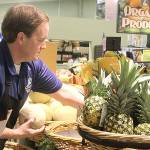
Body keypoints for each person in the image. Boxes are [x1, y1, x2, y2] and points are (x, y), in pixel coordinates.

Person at [0, 4, 84, 149]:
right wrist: (14, 133)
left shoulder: (32, 65)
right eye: (40, 40)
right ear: (21, 38)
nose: (44, 46)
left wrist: (94, 105)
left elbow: (62, 91)